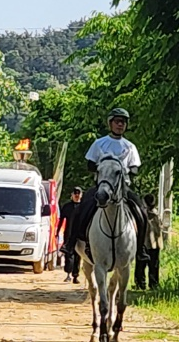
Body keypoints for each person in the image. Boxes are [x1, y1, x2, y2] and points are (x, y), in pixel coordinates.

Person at [66, 108, 149, 261]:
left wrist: (125, 170)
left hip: (122, 188)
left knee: (141, 212)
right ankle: (71, 243)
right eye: (117, 122)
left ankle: (140, 249)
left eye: (123, 122)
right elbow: (90, 164)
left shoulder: (130, 146)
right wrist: (103, 167)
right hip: (102, 185)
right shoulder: (99, 143)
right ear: (110, 123)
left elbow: (135, 167)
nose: (120, 125)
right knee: (81, 209)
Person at [135, 193, 163, 289]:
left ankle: (140, 284)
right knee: (153, 266)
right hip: (155, 245)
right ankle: (153, 284)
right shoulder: (157, 214)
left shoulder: (143, 214)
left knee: (141, 265)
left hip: (143, 243)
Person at [59, 186, 85, 280]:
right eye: (75, 193)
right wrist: (57, 232)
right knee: (69, 254)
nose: (77, 195)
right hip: (69, 234)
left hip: (80, 235)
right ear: (72, 195)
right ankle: (68, 274)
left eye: (78, 193)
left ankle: (75, 275)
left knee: (78, 256)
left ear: (81, 195)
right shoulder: (67, 207)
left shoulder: (84, 207)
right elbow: (61, 220)